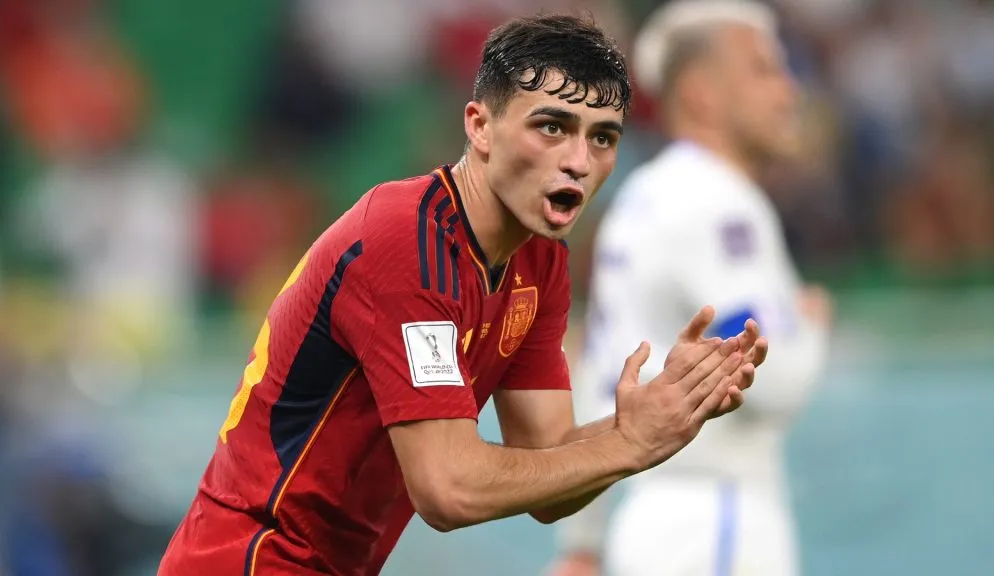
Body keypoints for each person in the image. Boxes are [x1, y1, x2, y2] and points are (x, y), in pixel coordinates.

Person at [157, 13, 768, 576]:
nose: (579, 161)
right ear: (479, 126)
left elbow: (549, 461)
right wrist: (629, 446)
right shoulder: (402, 239)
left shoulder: (539, 260)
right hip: (249, 558)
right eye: (551, 127)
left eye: (603, 138)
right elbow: (447, 489)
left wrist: (654, 417)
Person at [547, 2, 831, 576]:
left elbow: (600, 376)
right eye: (764, 70)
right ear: (701, 92)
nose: (789, 91)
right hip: (714, 518)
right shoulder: (717, 202)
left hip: (652, 519)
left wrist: (584, 542)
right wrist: (811, 326)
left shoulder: (642, 197)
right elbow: (769, 376)